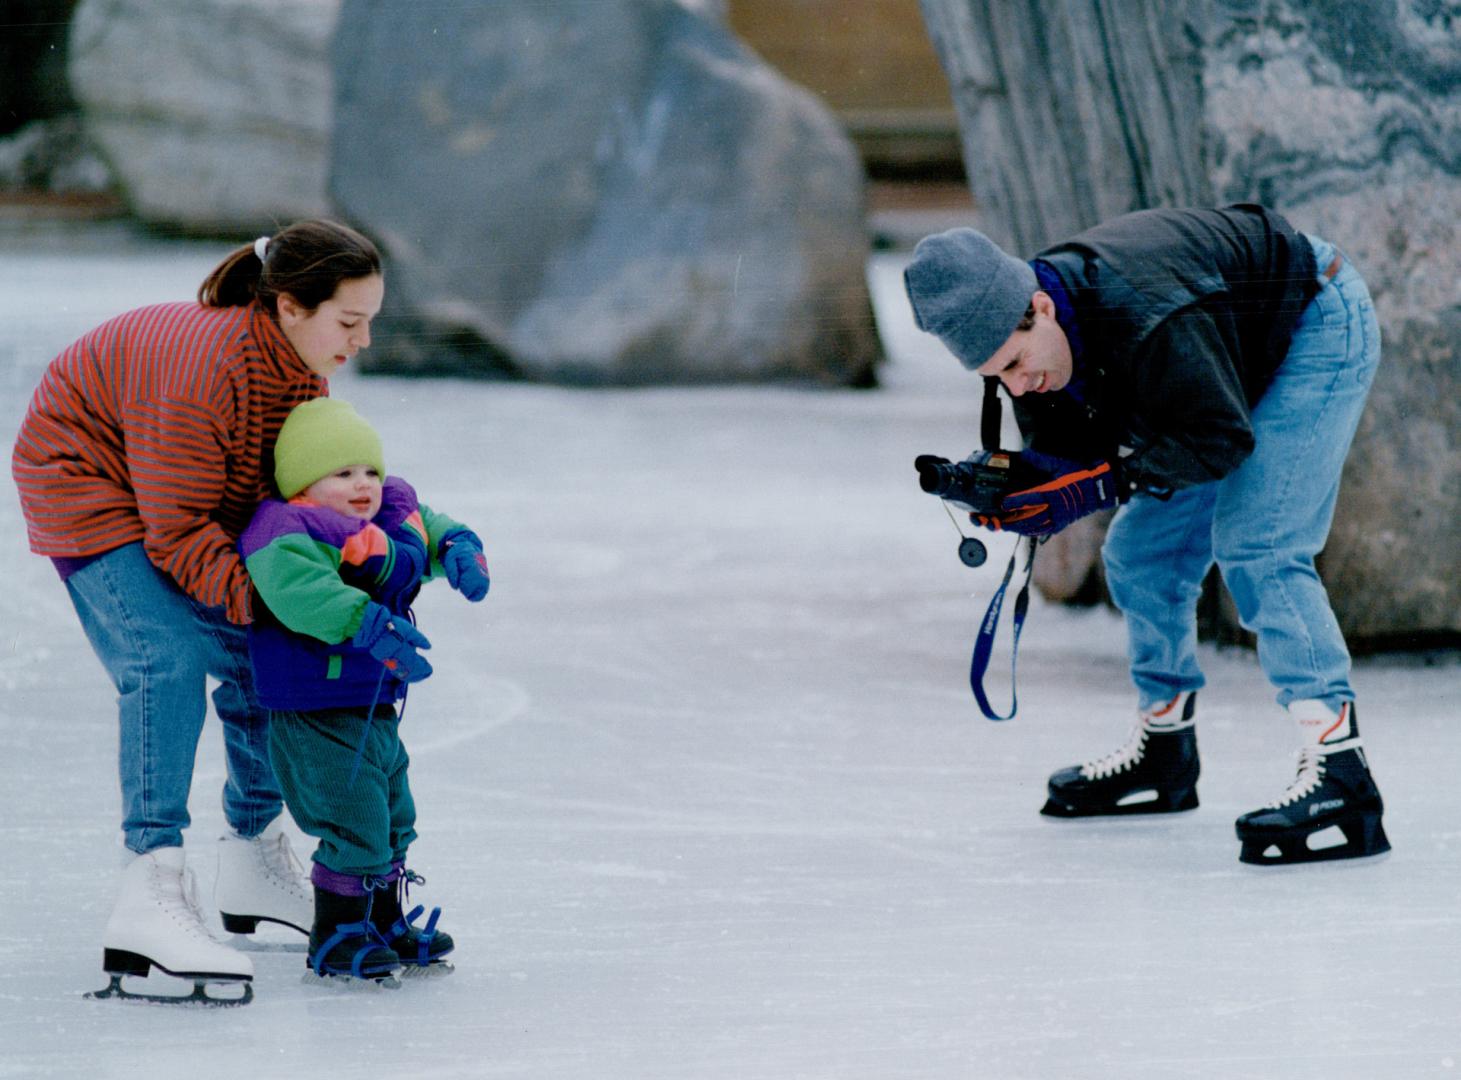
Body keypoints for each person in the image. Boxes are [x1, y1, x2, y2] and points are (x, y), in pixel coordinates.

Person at [903, 203, 1388, 866]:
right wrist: (1024, 491)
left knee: (1259, 544)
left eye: (1017, 363)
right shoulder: (1032, 348)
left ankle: (1340, 773)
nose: (1019, 386)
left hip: (1312, 323)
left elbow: (1216, 438)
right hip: (1216, 367)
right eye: (997, 379)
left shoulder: (1144, 309)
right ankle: (1164, 751)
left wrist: (1096, 485)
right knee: (1139, 553)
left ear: (1040, 306)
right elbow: (1070, 456)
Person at [12, 220, 384, 1001]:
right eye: (349, 322)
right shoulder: (202, 372)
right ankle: (150, 884)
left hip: (173, 491)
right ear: (289, 306)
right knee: (167, 655)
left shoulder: (302, 376)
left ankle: (250, 856)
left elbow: (286, 501)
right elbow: (176, 531)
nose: (363, 342)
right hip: (87, 478)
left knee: (262, 651)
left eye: (369, 322)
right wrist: (271, 602)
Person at [239, 397, 490, 982]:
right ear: (304, 481)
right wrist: (366, 622)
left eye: (371, 471)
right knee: (353, 817)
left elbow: (431, 527)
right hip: (312, 707)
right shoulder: (285, 528)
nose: (363, 484)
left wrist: (459, 549)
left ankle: (382, 921)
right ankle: (337, 936)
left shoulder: (384, 519)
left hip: (373, 703)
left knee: (394, 812)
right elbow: (301, 591)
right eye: (343, 473)